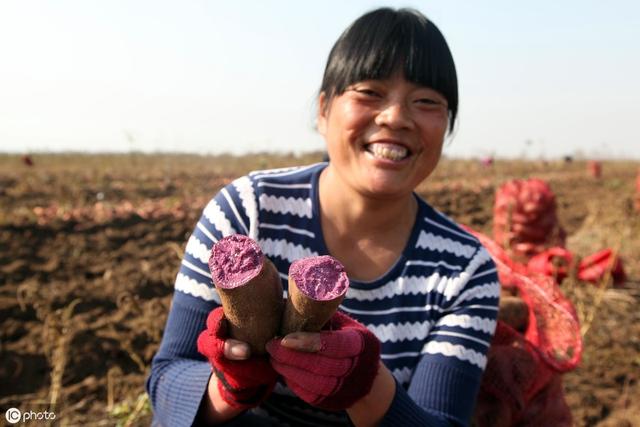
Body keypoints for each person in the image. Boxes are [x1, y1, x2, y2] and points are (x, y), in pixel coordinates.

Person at [147, 7, 500, 427]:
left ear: (447, 126)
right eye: (369, 92)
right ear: (323, 110)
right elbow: (167, 381)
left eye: (426, 102)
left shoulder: (465, 269)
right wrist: (229, 385)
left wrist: (366, 386)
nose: (396, 117)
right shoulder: (248, 210)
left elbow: (443, 420)